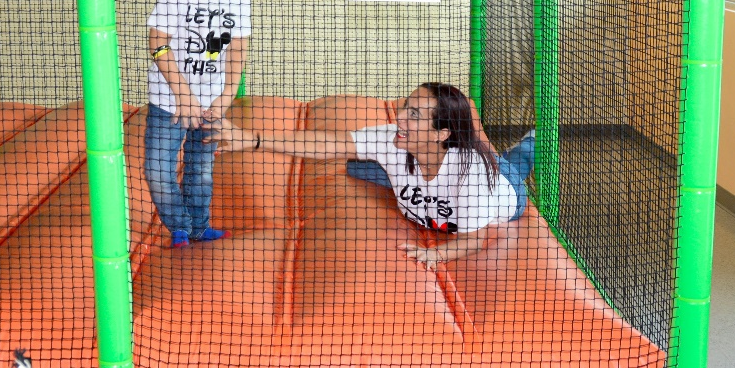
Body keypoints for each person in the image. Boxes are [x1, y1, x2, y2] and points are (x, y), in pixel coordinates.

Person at [215, 82, 535, 267]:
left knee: (513, 168)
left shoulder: (471, 179)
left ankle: (531, 142)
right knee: (354, 163)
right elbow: (328, 143)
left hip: (505, 193)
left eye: (414, 115)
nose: (399, 119)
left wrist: (435, 254)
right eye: (404, 108)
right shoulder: (391, 139)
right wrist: (254, 140)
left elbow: (474, 240)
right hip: (428, 169)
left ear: (440, 133)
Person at [146, 0, 253, 248]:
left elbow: (238, 46)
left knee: (201, 171)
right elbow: (157, 44)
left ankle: (197, 227)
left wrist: (226, 95)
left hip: (211, 101)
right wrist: (184, 97)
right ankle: (180, 225)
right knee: (158, 170)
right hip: (171, 101)